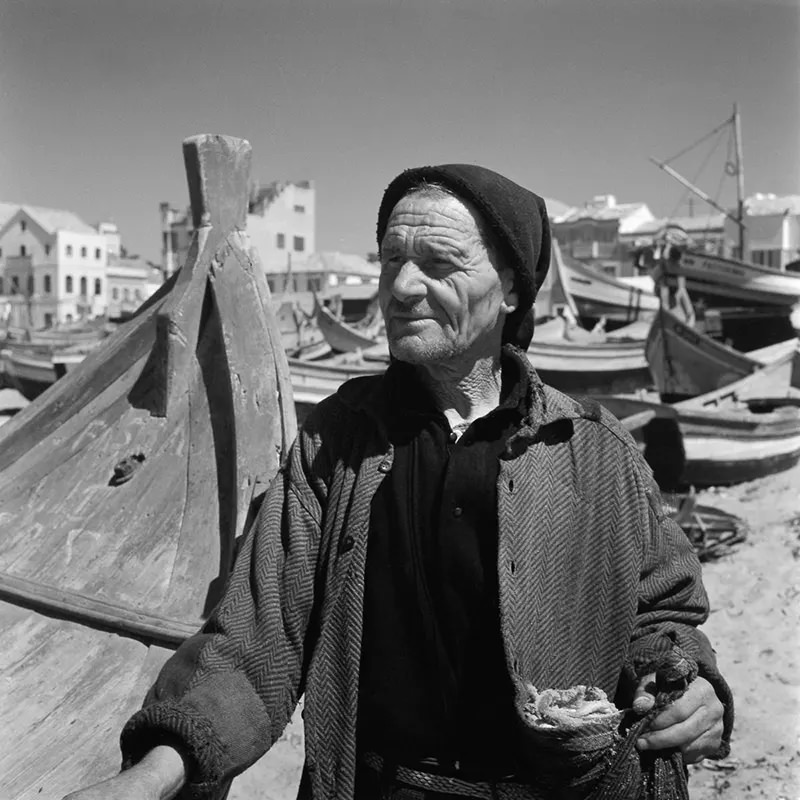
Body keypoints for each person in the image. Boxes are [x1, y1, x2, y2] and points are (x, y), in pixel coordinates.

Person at [65, 164, 731, 800]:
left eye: (438, 264)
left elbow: (663, 614)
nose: (401, 286)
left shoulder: (596, 451)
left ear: (511, 290)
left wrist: (688, 682)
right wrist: (153, 775)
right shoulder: (336, 443)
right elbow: (255, 641)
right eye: (390, 260)